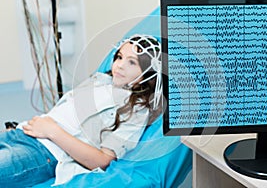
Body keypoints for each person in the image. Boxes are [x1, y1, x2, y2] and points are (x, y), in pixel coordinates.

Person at [0, 34, 162, 187]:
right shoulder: (100, 81)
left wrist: (52, 131)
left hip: (45, 153)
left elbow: (103, 160)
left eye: (132, 62)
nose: (120, 65)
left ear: (148, 73)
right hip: (22, 133)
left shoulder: (136, 109)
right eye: (119, 57)